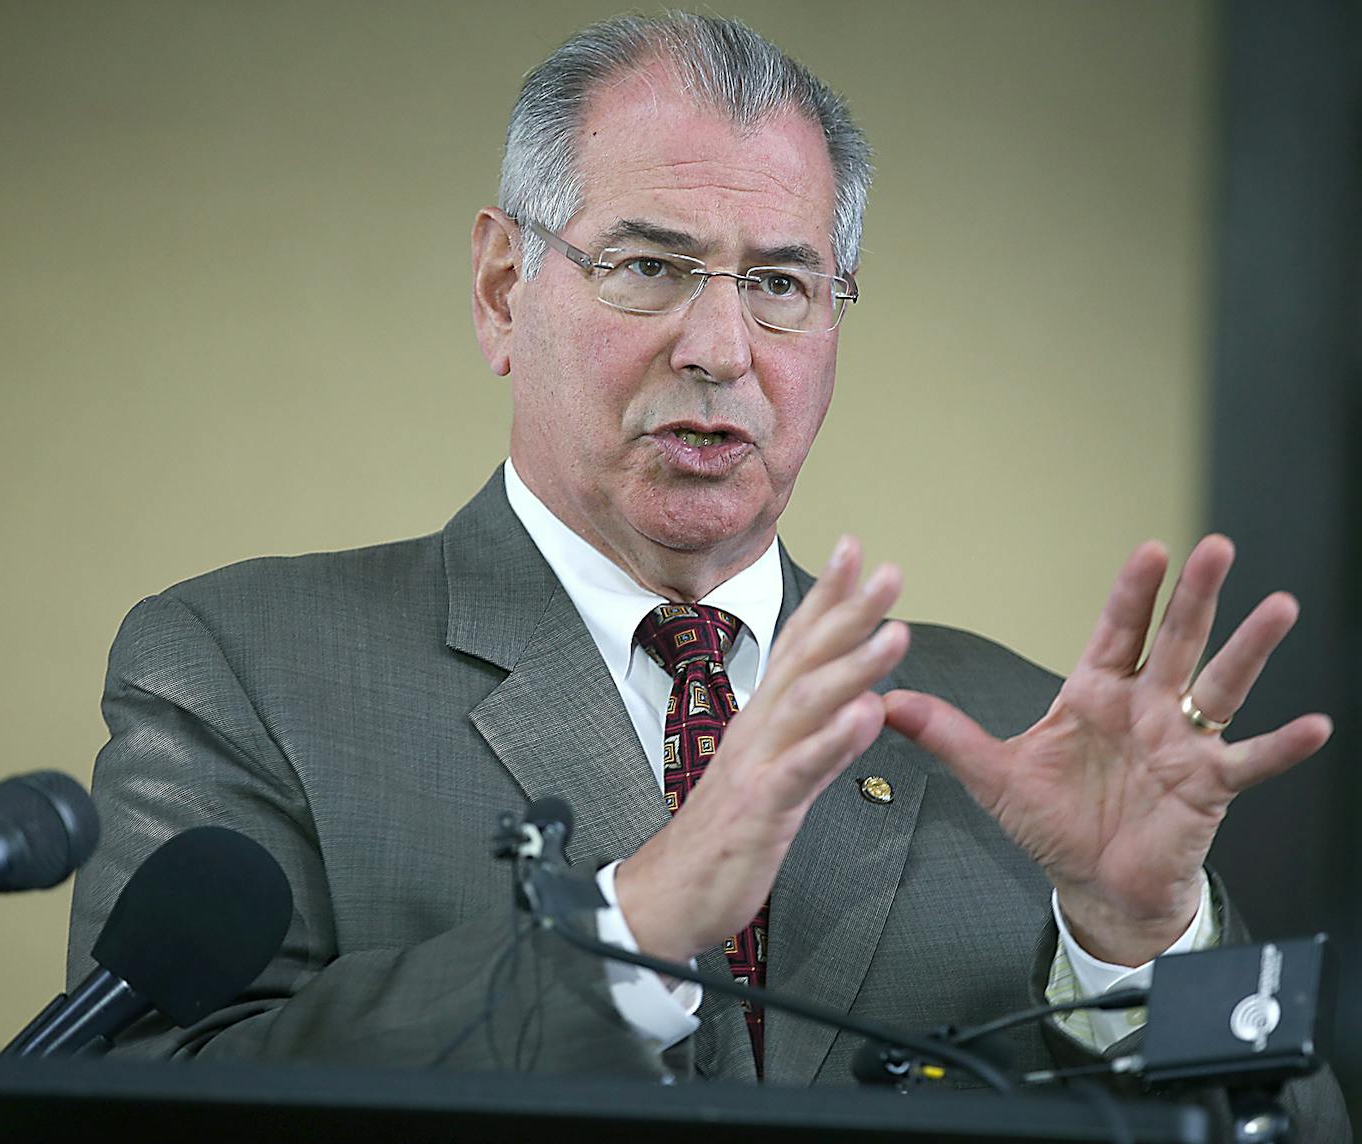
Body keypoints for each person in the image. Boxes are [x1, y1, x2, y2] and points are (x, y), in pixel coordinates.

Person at [67, 12, 1348, 1135]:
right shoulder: (243, 667)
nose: (721, 346)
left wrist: (1137, 947)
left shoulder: (1018, 742)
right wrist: (631, 920)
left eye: (782, 282)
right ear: (504, 288)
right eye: (648, 266)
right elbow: (141, 1096)